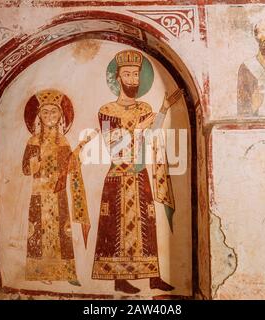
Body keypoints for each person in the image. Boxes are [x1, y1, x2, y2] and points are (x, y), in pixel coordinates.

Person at [92, 49, 181, 294]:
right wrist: (137, 129)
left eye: (136, 74)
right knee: (115, 226)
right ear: (118, 77)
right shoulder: (106, 111)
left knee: (147, 223)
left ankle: (153, 276)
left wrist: (162, 110)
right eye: (127, 74)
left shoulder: (144, 108)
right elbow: (113, 145)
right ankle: (119, 279)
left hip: (139, 174)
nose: (132, 79)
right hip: (118, 176)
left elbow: (151, 136)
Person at [22, 89, 91, 285]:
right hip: (39, 193)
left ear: (61, 115)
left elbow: (69, 167)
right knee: (37, 232)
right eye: (45, 112)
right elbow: (25, 168)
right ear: (38, 116)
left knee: (64, 231)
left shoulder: (63, 141)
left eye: (54, 112)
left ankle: (67, 273)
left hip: (58, 193)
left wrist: (76, 154)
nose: (50, 116)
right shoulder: (33, 141)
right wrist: (34, 163)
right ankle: (41, 273)